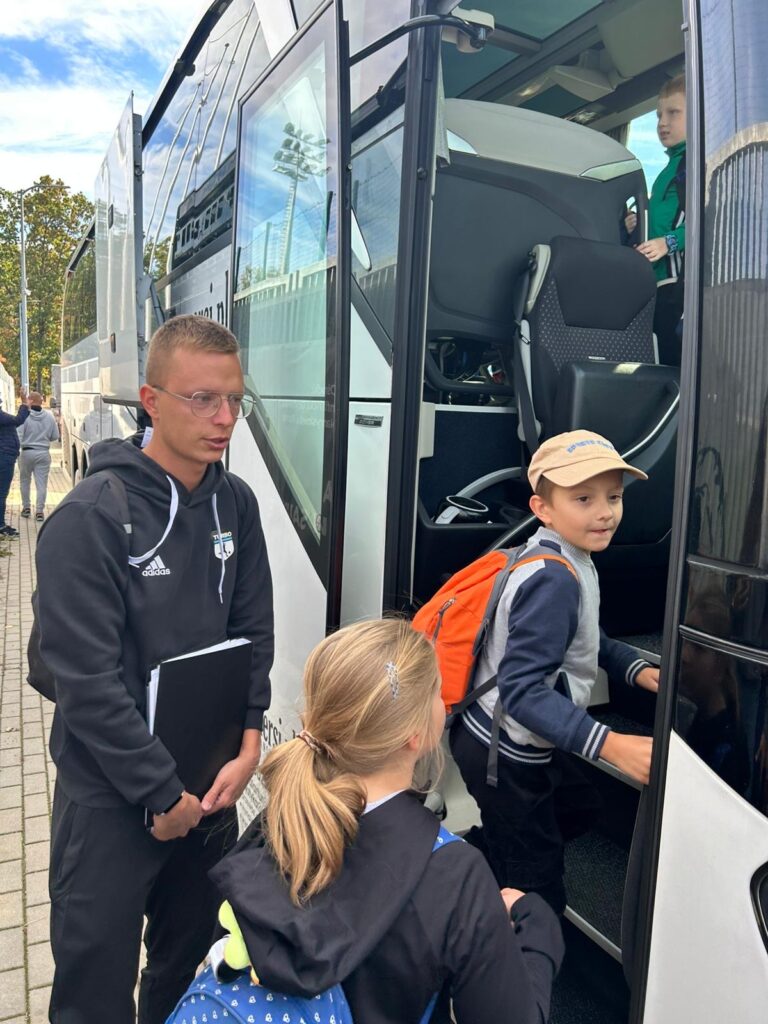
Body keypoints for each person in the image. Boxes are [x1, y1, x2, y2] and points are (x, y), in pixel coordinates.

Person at [35, 314, 274, 1024]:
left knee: (185, 966)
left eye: (235, 400)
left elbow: (253, 632)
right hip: (110, 799)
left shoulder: (236, 503)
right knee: (95, 992)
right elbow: (85, 683)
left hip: (207, 792)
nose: (224, 418)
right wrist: (160, 794)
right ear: (152, 400)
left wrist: (250, 744)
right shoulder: (91, 517)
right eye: (203, 399)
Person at [208, 618, 564, 1024]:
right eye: (436, 692)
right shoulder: (455, 878)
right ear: (415, 734)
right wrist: (537, 928)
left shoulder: (280, 820)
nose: (443, 702)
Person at [450, 430, 660, 914]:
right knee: (540, 891)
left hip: (507, 738)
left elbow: (585, 635)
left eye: (614, 497)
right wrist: (610, 744)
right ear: (542, 508)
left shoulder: (569, 556)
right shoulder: (552, 578)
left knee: (580, 806)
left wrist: (633, 669)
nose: (604, 512)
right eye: (584, 499)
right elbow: (523, 692)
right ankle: (508, 915)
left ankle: (490, 858)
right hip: (503, 753)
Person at [626, 74, 686, 365]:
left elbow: (709, 221)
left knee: (673, 364)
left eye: (673, 113)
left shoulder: (697, 163)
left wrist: (668, 243)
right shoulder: (670, 168)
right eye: (659, 115)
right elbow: (667, 216)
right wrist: (639, 222)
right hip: (657, 283)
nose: (663, 122)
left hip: (680, 284)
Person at [17, 390, 59, 521]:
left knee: (25, 481)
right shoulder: (49, 416)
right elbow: (55, 436)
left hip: (26, 452)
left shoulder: (25, 416)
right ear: (41, 401)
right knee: (41, 484)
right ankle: (40, 511)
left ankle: (26, 508)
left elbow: (19, 435)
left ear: (30, 400)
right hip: (43, 453)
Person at [0, 389, 30, 538]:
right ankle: (0, 525)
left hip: (5, 455)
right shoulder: (1, 417)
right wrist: (24, 403)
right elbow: (18, 420)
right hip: (4, 457)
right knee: (2, 493)